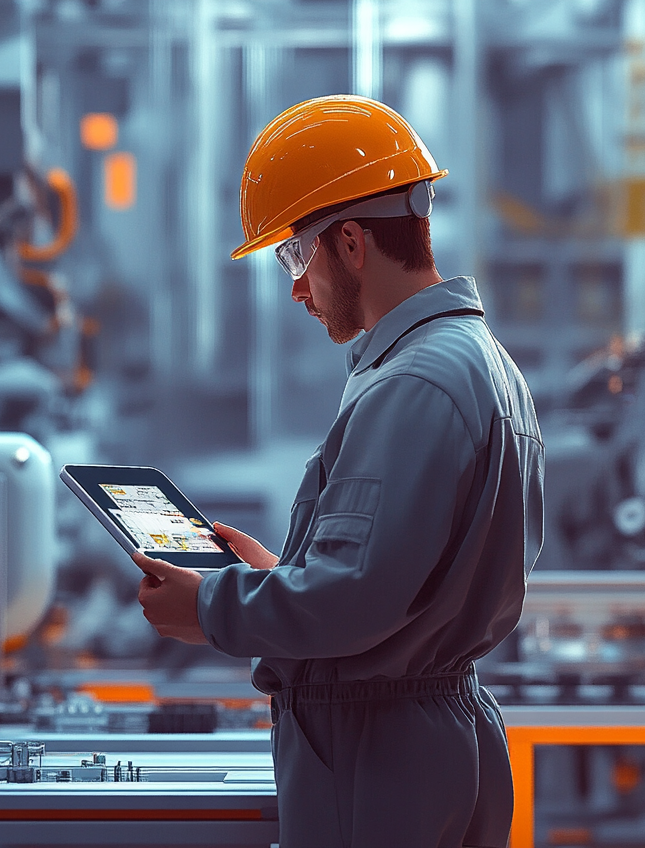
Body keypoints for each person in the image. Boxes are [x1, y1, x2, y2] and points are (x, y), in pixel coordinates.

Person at [135, 94, 544, 848]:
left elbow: (358, 597)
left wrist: (216, 608)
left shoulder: (415, 383)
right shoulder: (475, 363)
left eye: (295, 255)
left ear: (351, 242)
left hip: (379, 755)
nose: (295, 287)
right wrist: (272, 578)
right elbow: (386, 577)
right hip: (425, 737)